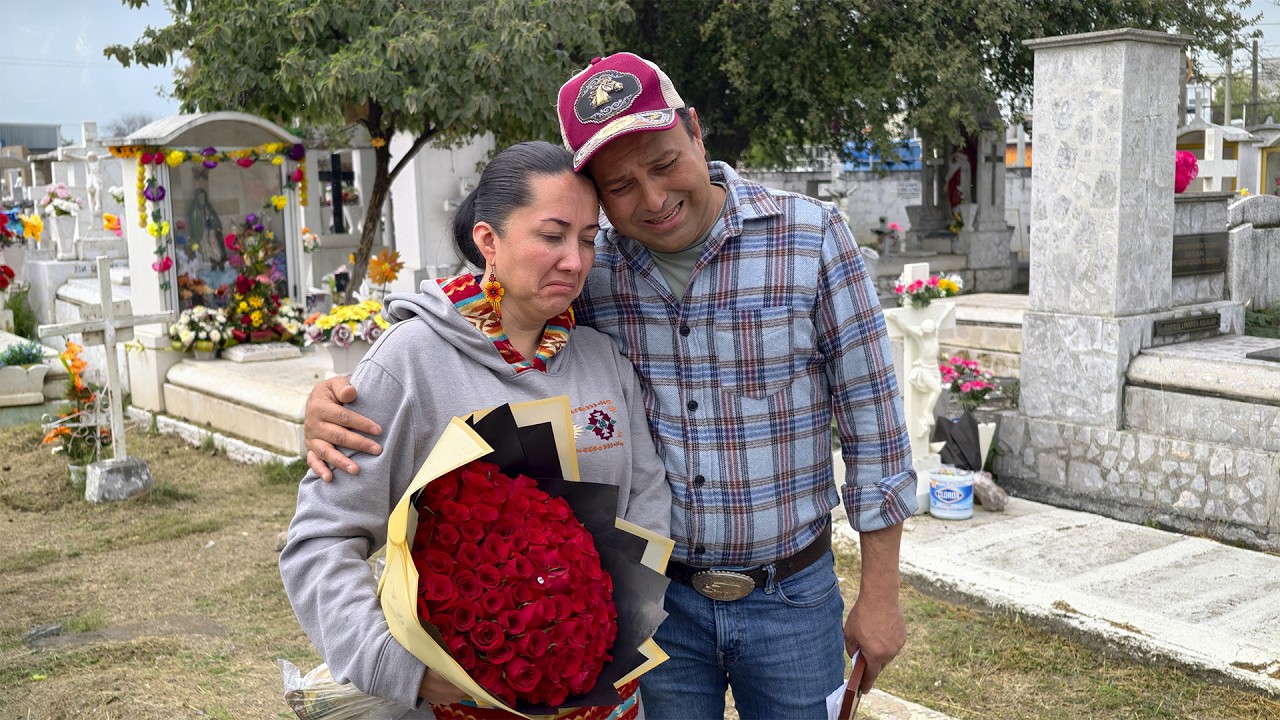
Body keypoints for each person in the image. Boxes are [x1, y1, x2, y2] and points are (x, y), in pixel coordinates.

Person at [303, 52, 917, 719]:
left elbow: (874, 423)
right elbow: (487, 307)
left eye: (663, 163)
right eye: (619, 186)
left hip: (792, 598)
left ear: (694, 130)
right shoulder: (595, 266)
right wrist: (342, 397)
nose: (651, 199)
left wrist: (881, 593)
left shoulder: (810, 238)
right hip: (661, 616)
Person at [279, 141, 672, 719]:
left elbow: (645, 501)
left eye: (588, 239)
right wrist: (399, 665)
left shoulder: (601, 359)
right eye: (552, 235)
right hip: (454, 705)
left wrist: (616, 624)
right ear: (489, 241)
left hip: (598, 697)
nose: (574, 260)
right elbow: (322, 539)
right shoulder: (410, 361)